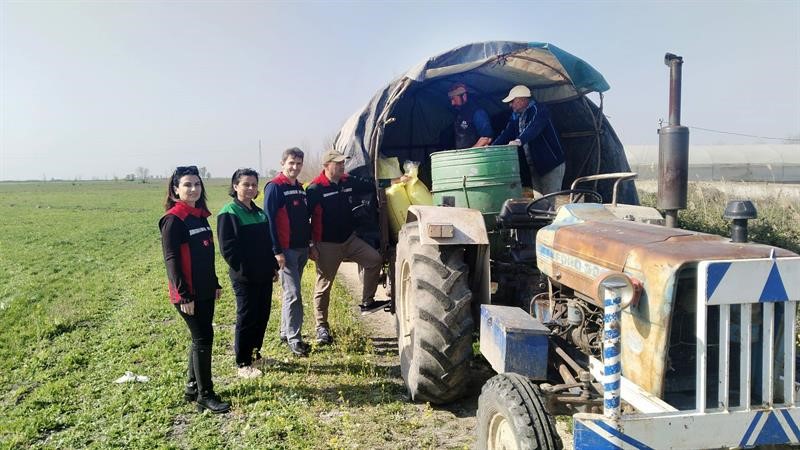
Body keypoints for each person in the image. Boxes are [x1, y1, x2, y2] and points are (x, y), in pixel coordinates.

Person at [159, 165, 230, 413]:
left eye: (197, 184)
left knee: (200, 337)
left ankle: (192, 387)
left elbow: (204, 254)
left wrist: (214, 282)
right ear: (176, 189)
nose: (193, 189)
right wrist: (184, 295)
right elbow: (172, 261)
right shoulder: (173, 220)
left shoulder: (199, 216)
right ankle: (205, 395)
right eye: (187, 185)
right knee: (203, 338)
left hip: (205, 289)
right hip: (188, 293)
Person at [306, 149, 386, 345]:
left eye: (343, 163)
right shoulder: (315, 189)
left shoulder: (347, 181)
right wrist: (310, 245)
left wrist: (396, 181)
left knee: (374, 260)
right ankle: (321, 327)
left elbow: (370, 185)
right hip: (326, 244)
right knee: (324, 286)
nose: (342, 166)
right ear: (326, 166)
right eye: (338, 164)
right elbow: (304, 219)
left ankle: (368, 302)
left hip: (349, 240)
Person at [217, 168, 279, 378]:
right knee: (247, 317)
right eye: (246, 184)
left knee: (262, 314)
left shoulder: (259, 212)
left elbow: (267, 245)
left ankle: (255, 353)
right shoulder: (229, 212)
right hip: (245, 277)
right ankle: (243, 362)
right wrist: (246, 271)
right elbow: (228, 250)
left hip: (264, 274)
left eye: (254, 184)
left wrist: (272, 267)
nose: (251, 188)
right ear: (235, 187)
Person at [264, 148, 313, 357]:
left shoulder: (301, 189)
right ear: (283, 163)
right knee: (294, 294)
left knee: (290, 293)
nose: (295, 167)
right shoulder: (275, 187)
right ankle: (295, 339)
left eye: (299, 164)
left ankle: (285, 332)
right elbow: (269, 220)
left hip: (301, 248)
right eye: (291, 163)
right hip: (286, 250)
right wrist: (276, 251)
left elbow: (305, 219)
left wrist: (310, 244)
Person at [493, 85, 566, 196]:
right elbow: (506, 133)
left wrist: (519, 141)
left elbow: (534, 127)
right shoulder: (516, 116)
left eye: (512, 101)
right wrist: (492, 147)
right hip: (535, 165)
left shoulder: (539, 110)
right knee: (538, 201)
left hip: (551, 164)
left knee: (550, 198)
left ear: (522, 100)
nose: (510, 105)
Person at [448, 82, 494, 149]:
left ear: (463, 96)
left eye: (453, 98)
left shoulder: (477, 112)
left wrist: (470, 152)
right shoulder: (460, 113)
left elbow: (486, 138)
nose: (452, 103)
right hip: (463, 155)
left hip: (476, 156)